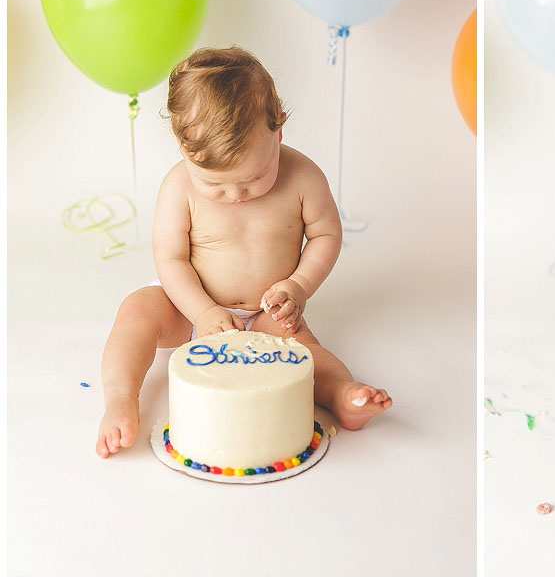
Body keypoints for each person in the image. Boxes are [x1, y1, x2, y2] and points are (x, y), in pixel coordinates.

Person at [96, 47, 391, 458]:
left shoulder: (303, 178)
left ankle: (342, 395)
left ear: (278, 132)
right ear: (182, 150)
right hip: (188, 307)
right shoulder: (178, 187)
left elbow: (326, 235)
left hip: (268, 313)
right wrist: (201, 311)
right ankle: (120, 397)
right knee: (136, 312)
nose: (235, 195)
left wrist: (298, 286)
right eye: (214, 184)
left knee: (306, 353)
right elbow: (171, 260)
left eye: (254, 177)